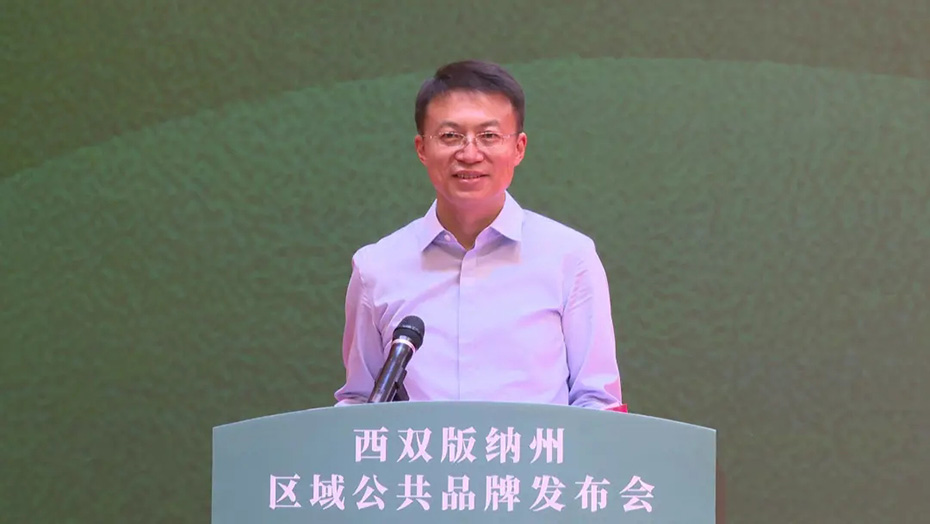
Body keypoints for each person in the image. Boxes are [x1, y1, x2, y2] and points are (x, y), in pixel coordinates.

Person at [334, 60, 623, 410]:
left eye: (489, 136)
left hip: (530, 449)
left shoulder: (570, 258)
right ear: (422, 148)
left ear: (519, 148)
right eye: (450, 136)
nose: (470, 154)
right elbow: (359, 404)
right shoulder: (376, 268)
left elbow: (598, 401)